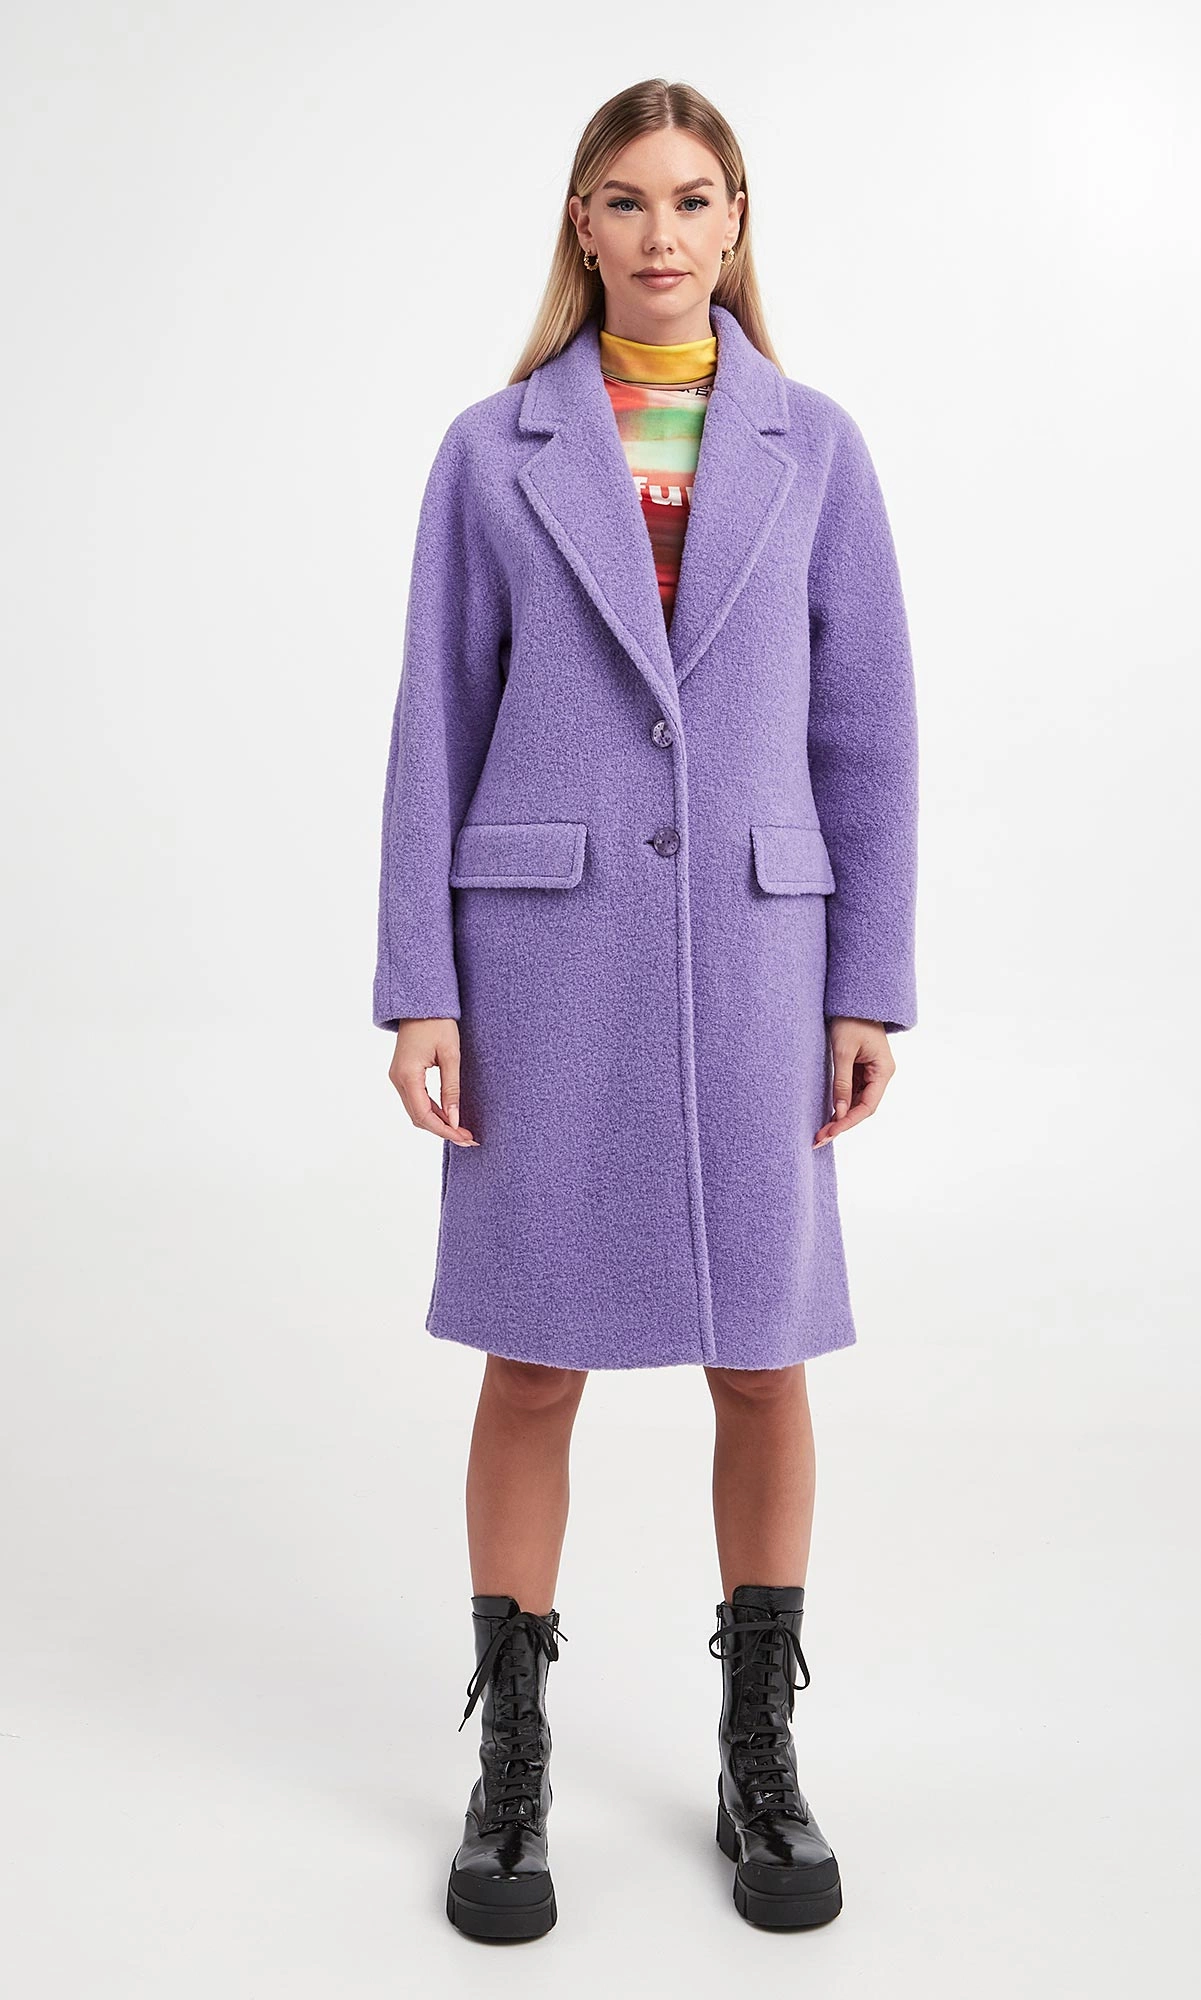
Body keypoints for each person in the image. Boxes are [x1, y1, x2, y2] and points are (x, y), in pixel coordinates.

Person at [372, 77, 919, 1942]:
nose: (662, 232)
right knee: (532, 1360)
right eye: (627, 199)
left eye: (694, 198)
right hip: (542, 960)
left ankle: (760, 1754)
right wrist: (420, 984)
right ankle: (511, 1767)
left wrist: (870, 978)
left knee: (761, 1357)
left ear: (738, 220)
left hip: (763, 960)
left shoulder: (816, 448)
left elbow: (869, 732)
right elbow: (434, 721)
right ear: (581, 226)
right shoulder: (493, 450)